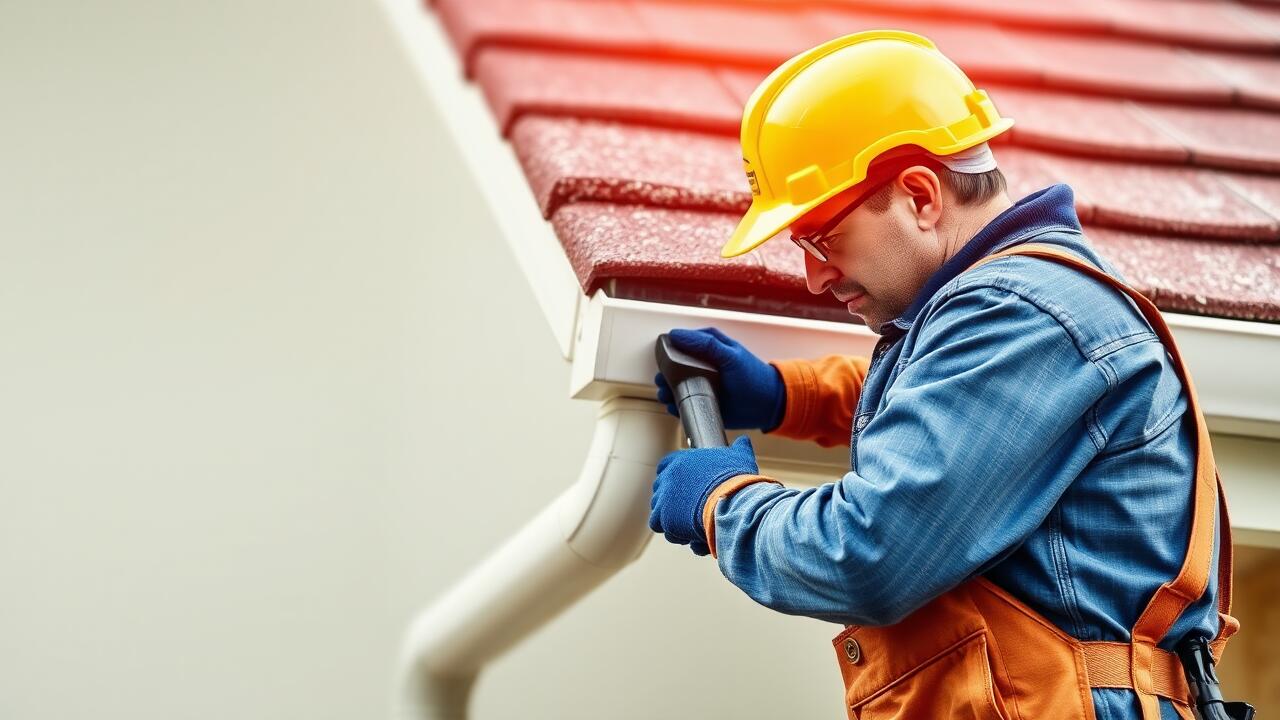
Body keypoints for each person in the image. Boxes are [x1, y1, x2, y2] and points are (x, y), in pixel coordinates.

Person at [648, 30, 1240, 720]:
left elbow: (866, 552)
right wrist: (791, 396)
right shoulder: (1022, 306)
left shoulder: (1021, 316)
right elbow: (956, 407)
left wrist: (724, 505)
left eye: (821, 238)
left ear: (922, 196)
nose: (813, 276)